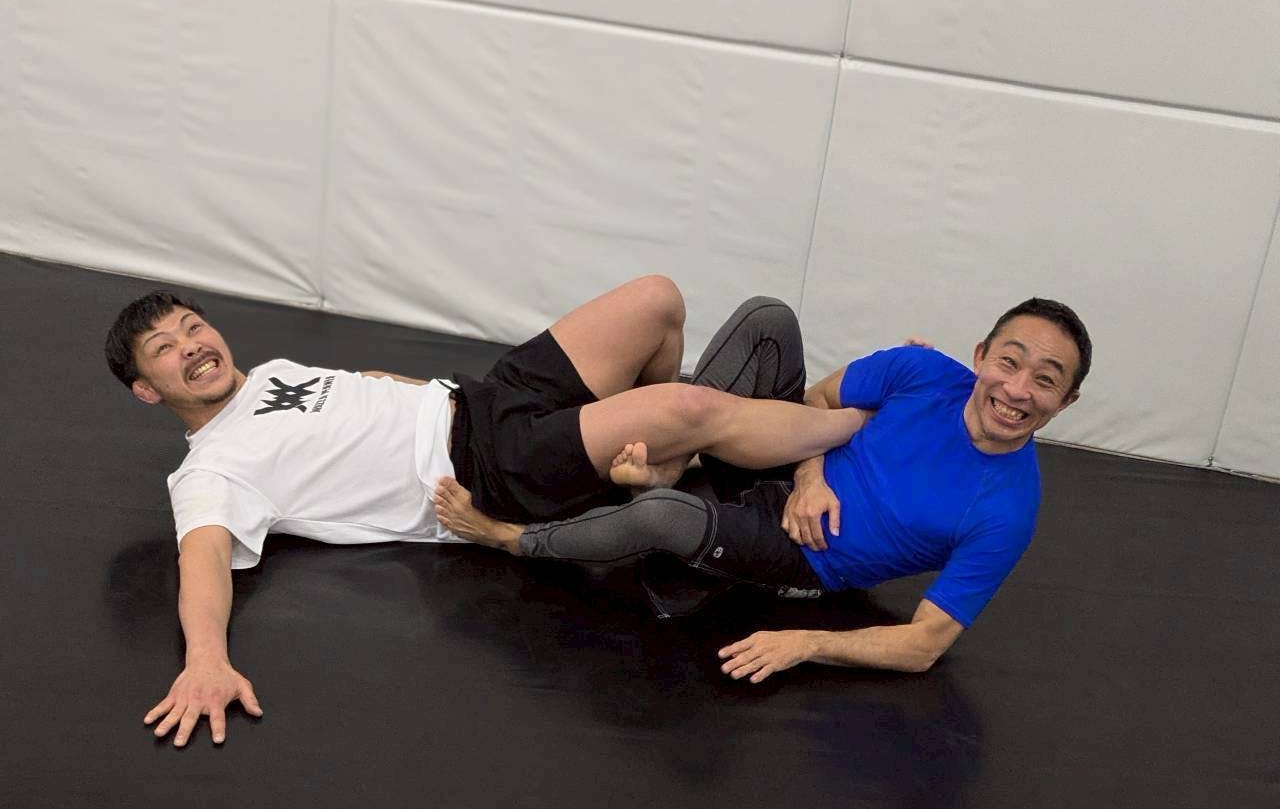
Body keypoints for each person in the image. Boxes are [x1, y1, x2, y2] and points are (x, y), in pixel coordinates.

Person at [103, 276, 866, 747]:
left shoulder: (269, 374)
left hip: (487, 398)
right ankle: (874, 419)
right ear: (145, 390)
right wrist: (205, 659)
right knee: (689, 406)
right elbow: (202, 558)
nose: (191, 345)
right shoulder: (213, 468)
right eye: (164, 349)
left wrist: (425, 391)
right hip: (488, 468)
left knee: (658, 300)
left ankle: (652, 479)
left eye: (192, 327)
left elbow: (364, 387)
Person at [434, 297, 1092, 683]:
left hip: (804, 554)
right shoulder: (920, 369)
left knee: (662, 517)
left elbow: (923, 645)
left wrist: (806, 641)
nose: (1017, 389)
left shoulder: (1007, 510)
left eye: (1045, 380)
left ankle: (510, 536)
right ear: (981, 356)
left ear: (1065, 401)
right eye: (1009, 362)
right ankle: (677, 461)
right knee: (767, 320)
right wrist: (810, 474)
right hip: (795, 468)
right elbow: (818, 401)